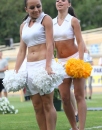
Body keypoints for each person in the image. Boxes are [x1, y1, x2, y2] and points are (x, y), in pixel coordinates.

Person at [14, 0, 57, 129]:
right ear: (26, 9)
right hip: (30, 68)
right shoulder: (23, 26)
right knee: (37, 106)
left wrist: (48, 65)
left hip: (43, 66)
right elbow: (22, 50)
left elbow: (50, 44)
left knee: (47, 104)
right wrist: (16, 71)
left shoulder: (46, 19)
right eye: (32, 7)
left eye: (38, 6)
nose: (36, 9)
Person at [53, 1, 86, 130]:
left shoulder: (73, 21)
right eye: (57, 0)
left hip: (75, 59)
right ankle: (74, 127)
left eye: (63, 0)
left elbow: (80, 42)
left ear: (69, 4)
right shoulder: (51, 22)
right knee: (65, 97)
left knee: (79, 95)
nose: (59, 2)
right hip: (60, 62)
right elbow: (50, 45)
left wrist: (80, 62)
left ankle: (81, 128)